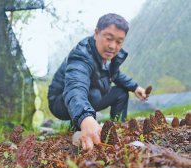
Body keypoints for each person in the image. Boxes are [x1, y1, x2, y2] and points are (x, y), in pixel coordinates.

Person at [48, 13, 148, 151]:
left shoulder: (110, 56)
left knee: (121, 92)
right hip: (61, 101)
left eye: (119, 42)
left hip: (91, 96)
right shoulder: (81, 55)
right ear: (96, 33)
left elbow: (115, 75)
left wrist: (135, 87)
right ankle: (80, 127)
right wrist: (86, 118)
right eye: (109, 38)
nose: (113, 46)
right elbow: (75, 87)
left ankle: (116, 126)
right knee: (94, 94)